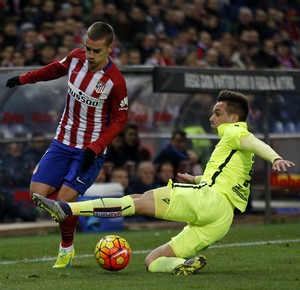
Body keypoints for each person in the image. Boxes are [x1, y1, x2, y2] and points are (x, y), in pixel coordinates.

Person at [32, 90, 295, 275]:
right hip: (221, 220)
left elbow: (253, 141)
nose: (211, 118)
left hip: (208, 201)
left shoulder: (236, 131)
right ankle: (181, 266)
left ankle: (68, 209)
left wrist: (275, 157)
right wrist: (199, 178)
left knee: (136, 201)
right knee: (153, 260)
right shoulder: (236, 148)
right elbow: (232, 174)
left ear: (233, 118)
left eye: (217, 112)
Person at [6, 21, 128, 268]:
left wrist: (95, 148)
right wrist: (22, 79)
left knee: (62, 203)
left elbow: (120, 120)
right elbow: (52, 70)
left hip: (89, 151)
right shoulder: (75, 59)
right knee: (37, 195)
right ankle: (76, 211)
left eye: (96, 51)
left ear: (110, 48)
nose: (90, 55)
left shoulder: (115, 81)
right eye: (87, 49)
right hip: (62, 141)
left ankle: (66, 247)